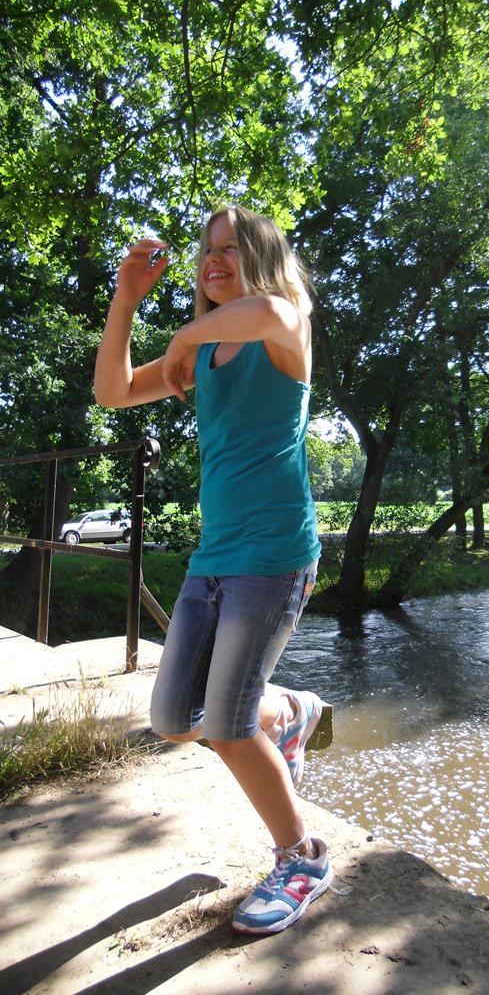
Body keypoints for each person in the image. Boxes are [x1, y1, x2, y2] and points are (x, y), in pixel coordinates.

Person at [94, 205, 330, 935]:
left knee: (225, 725)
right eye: (207, 251)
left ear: (262, 258)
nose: (213, 260)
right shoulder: (205, 354)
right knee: (174, 719)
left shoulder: (284, 327)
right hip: (213, 559)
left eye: (231, 249)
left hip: (275, 557)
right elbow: (111, 392)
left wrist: (184, 334)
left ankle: (302, 858)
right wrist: (126, 299)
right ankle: (286, 713)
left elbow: (269, 310)